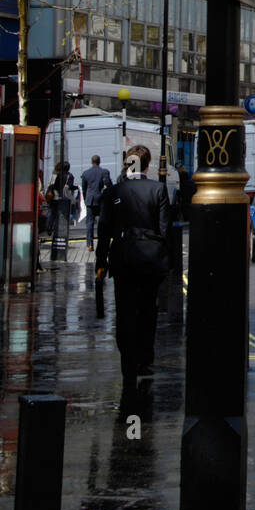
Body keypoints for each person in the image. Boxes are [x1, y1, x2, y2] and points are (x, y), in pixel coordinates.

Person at [96, 144, 170, 398]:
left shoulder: (115, 191)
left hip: (123, 259)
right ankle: (144, 359)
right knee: (148, 310)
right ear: (147, 165)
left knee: (125, 310)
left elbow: (104, 230)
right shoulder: (158, 189)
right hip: (150, 260)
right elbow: (164, 229)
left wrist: (100, 262)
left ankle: (128, 363)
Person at [81, 155, 112, 252]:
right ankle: (101, 242)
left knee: (89, 223)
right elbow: (109, 185)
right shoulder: (104, 172)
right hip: (100, 199)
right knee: (101, 222)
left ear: (92, 162)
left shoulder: (86, 173)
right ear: (99, 161)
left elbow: (84, 188)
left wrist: (86, 198)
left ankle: (90, 244)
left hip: (90, 200)